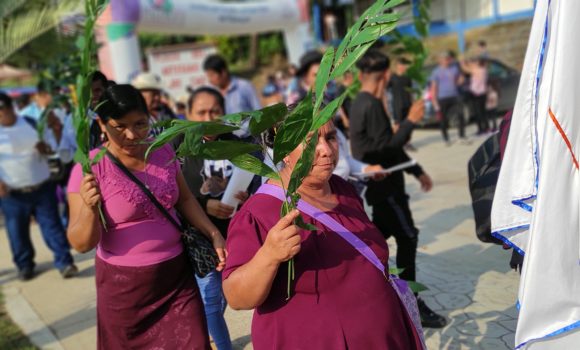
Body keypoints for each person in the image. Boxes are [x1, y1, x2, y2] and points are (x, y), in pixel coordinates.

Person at [223, 120, 424, 349]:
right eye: (310, 142)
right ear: (285, 150)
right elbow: (236, 297)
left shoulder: (342, 188)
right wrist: (269, 256)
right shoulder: (258, 213)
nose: (326, 151)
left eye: (330, 137)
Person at [66, 84, 224, 349]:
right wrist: (90, 208)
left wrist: (214, 233)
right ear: (101, 124)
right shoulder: (91, 168)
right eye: (119, 127)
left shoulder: (162, 150)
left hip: (176, 280)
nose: (131, 135)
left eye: (140, 124)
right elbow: (80, 243)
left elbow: (184, 199)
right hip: (124, 291)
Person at [349, 50, 447, 328]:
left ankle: (369, 287)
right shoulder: (372, 105)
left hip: (379, 187)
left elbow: (378, 148)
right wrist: (410, 121)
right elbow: (388, 150)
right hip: (386, 189)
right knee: (408, 237)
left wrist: (416, 170)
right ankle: (410, 298)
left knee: (378, 238)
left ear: (359, 76)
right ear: (387, 76)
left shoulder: (360, 102)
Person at [179, 87, 253, 350]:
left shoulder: (243, 145)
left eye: (215, 111)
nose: (208, 117)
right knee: (210, 297)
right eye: (201, 112)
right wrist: (204, 205)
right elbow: (174, 196)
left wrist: (249, 198)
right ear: (188, 114)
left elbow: (262, 183)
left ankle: (209, 332)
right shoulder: (178, 149)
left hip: (240, 234)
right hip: (203, 237)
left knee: (224, 298)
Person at [0, 92, 77, 281]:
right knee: (17, 233)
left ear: (11, 108)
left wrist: (46, 147)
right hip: (13, 194)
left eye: (2, 111)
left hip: (42, 187)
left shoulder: (31, 123)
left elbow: (52, 149)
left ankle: (65, 261)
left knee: (53, 227)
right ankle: (25, 265)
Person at [203, 54, 261, 138]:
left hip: (249, 139)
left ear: (223, 72)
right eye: (208, 76)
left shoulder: (244, 86)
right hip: (226, 142)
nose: (210, 80)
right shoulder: (211, 93)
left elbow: (258, 112)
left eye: (212, 75)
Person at [430, 51, 468, 145]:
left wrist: (461, 79)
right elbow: (433, 87)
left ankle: (461, 137)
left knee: (461, 115)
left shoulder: (454, 69)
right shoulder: (436, 72)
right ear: (440, 60)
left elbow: (458, 82)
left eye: (447, 59)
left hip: (454, 96)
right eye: (444, 59)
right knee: (443, 120)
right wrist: (434, 102)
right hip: (442, 98)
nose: (446, 60)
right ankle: (446, 139)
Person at [131, 72, 176, 136]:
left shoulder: (166, 112)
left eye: (158, 94)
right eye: (154, 94)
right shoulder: (133, 118)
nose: (157, 98)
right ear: (140, 94)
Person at [460, 57, 489, 135]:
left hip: (476, 94)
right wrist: (469, 62)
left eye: (476, 62)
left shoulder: (476, 70)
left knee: (478, 112)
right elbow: (471, 66)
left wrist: (462, 62)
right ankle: (486, 128)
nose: (474, 63)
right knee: (483, 111)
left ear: (478, 64)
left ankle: (481, 129)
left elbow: (465, 69)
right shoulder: (484, 70)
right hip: (483, 93)